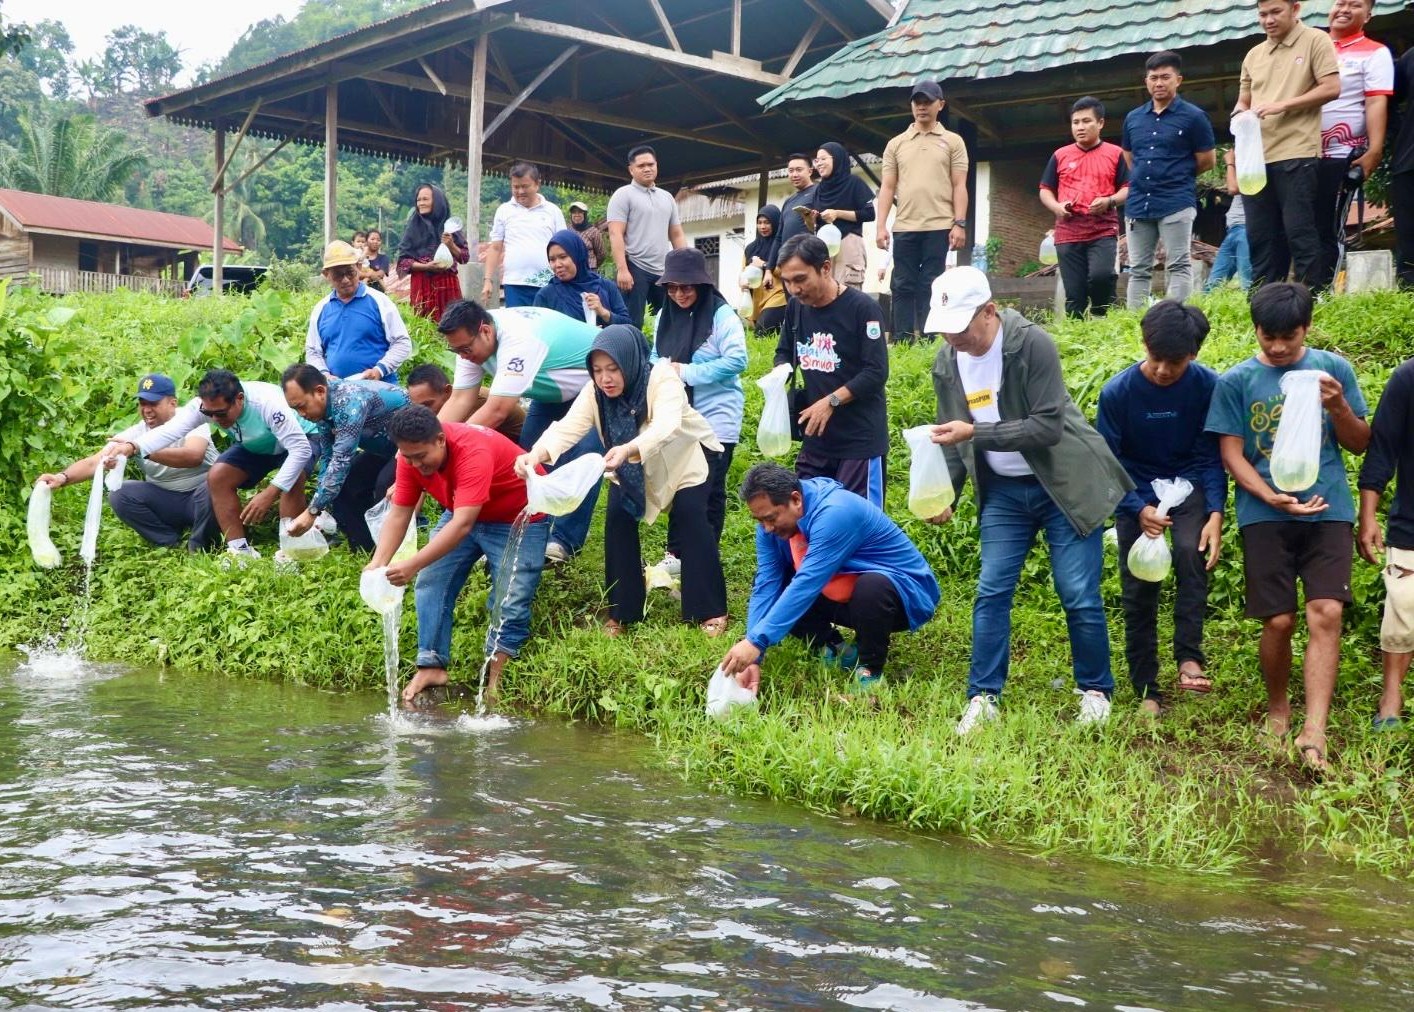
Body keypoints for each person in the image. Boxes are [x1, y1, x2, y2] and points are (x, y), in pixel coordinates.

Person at [924, 267, 1133, 733]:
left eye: (960, 326)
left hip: (1061, 486)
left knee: (1077, 592)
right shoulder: (947, 360)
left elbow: (1046, 427)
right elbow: (951, 437)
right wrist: (949, 494)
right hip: (1002, 493)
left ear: (989, 312)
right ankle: (983, 698)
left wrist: (976, 432)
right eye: (945, 327)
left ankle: (1095, 689)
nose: (952, 337)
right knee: (992, 590)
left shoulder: (1030, 345)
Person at [1204, 282, 1369, 771]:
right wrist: (1265, 493)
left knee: (1326, 612)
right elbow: (1231, 452)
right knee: (1278, 619)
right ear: (1255, 329)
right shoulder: (1236, 381)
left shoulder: (1333, 371)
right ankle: (1279, 706)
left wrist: (1338, 406)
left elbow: (1360, 443)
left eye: (1289, 339)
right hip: (1265, 513)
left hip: (1328, 506)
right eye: (1268, 337)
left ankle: (1314, 727)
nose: (1277, 348)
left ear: (1307, 329)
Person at [517, 325, 728, 637]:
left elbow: (667, 425)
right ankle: (622, 610)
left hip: (682, 458)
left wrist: (629, 448)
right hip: (628, 463)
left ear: (630, 361)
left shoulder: (662, 378)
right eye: (598, 370)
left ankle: (709, 610)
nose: (606, 378)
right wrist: (535, 455)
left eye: (613, 369)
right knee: (617, 520)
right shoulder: (595, 392)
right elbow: (568, 426)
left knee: (691, 519)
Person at [367, 405, 550, 704]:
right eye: (408, 457)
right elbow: (400, 514)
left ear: (440, 440)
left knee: (510, 596)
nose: (415, 465)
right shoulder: (410, 458)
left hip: (520, 515)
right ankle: (432, 666)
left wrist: (411, 564)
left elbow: (463, 525)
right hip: (463, 509)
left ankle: (495, 681)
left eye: (421, 457)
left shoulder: (472, 451)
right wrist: (378, 563)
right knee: (431, 579)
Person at [1097, 303, 1226, 713]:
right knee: (1140, 581)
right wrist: (1137, 509)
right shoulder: (1118, 392)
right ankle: (1146, 685)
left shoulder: (1207, 386)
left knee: (1192, 552)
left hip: (1188, 484)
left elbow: (1211, 455)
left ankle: (1189, 654)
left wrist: (1216, 514)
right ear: (1144, 346)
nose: (1164, 370)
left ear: (1194, 354)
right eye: (1156, 359)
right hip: (1134, 487)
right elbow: (1107, 462)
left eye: (1176, 362)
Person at [717, 462, 940, 692]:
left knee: (871, 587)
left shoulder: (835, 512)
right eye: (760, 520)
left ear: (796, 499)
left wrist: (757, 642)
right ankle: (838, 648)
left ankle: (870, 670)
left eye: (771, 518)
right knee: (781, 583)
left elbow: (807, 583)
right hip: (842, 591)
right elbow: (767, 584)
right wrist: (753, 656)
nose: (767, 528)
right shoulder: (770, 526)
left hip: (905, 596)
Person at [437, 300, 600, 564]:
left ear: (486, 332)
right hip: (551, 392)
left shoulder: (520, 339)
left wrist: (450, 449)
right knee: (526, 458)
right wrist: (430, 439)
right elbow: (460, 400)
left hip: (595, 387)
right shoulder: (468, 341)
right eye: (456, 351)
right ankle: (523, 531)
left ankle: (563, 541)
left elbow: (497, 410)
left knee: (583, 455)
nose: (463, 356)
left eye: (465, 349)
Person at [106, 369, 319, 559]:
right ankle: (240, 551)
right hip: (257, 443)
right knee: (218, 475)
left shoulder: (268, 404)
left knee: (293, 478)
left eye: (221, 413)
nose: (216, 419)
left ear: (239, 399)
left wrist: (270, 492)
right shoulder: (205, 407)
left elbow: (300, 451)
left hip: (301, 439)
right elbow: (171, 430)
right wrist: (133, 446)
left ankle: (291, 551)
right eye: (210, 414)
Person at [37, 373, 218, 552]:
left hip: (203, 499)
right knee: (121, 494)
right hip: (167, 501)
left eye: (154, 403)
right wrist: (62, 478)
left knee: (214, 484)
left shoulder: (193, 419)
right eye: (142, 403)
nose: (147, 410)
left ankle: (200, 546)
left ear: (173, 403)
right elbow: (94, 462)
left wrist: (141, 449)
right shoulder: (136, 433)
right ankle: (169, 542)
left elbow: (193, 456)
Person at [773, 233, 889, 506]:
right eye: (787, 281)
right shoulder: (796, 308)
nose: (794, 289)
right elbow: (784, 353)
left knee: (859, 526)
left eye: (800, 279)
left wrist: (832, 401)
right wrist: (779, 374)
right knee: (805, 518)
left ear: (825, 268)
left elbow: (876, 371)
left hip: (859, 442)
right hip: (816, 440)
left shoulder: (863, 309)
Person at [1234, 0, 1340, 290]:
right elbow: (1244, 99)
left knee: (1299, 232)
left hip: (1297, 151)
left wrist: (1283, 105)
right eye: (1263, 14)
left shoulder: (1316, 39)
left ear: (1295, 9)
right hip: (1255, 158)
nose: (1268, 20)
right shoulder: (1254, 54)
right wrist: (1240, 113)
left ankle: (1311, 300)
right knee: (1261, 235)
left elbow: (1331, 88)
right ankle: (1264, 304)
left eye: (1275, 12)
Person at [651, 246, 748, 552]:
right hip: (679, 414)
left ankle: (702, 555)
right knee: (680, 485)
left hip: (717, 415)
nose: (680, 294)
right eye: (673, 288)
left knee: (708, 489)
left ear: (702, 285)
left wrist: (687, 372)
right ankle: (677, 554)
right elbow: (656, 357)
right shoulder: (665, 316)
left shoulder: (721, 315)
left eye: (687, 287)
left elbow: (737, 361)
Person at [876, 79, 970, 341]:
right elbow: (886, 187)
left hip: (940, 224)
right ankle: (904, 340)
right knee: (902, 284)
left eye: (927, 101)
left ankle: (930, 339)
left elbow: (959, 184)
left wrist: (959, 223)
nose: (922, 106)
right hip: (905, 226)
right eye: (917, 101)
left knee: (932, 283)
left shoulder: (953, 141)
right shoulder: (896, 144)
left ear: (941, 104)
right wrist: (881, 226)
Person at [1121, 51, 1216, 308]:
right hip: (1139, 202)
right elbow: (1130, 158)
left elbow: (1208, 160)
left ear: (1178, 80)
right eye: (1153, 78)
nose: (1159, 83)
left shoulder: (1194, 116)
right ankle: (1135, 322)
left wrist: (1177, 173)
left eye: (1165, 77)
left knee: (1178, 263)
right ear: (1146, 81)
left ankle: (1176, 319)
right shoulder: (1133, 118)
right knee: (1138, 267)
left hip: (1176, 199)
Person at [280, 364, 409, 552]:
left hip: (410, 448)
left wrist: (312, 511)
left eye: (302, 406)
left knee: (384, 486)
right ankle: (365, 550)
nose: (302, 415)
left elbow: (341, 460)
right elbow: (328, 457)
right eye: (296, 409)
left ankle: (393, 554)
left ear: (320, 391)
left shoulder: (349, 401)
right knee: (343, 487)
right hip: (382, 448)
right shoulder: (324, 410)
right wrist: (319, 501)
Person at [1317, 0, 1392, 288]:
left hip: (1341, 154)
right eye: (1340, 2)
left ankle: (1322, 292)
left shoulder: (1375, 53)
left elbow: (1375, 101)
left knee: (1328, 226)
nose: (1345, 9)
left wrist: (1374, 151)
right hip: (1299, 152)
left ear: (1368, 15)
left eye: (1355, 4)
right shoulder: (1312, 45)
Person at [1357, 355, 1414, 730]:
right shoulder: (1408, 377)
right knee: (1403, 607)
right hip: (1411, 521)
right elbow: (1381, 450)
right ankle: (1391, 696)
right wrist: (1368, 515)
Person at [1039, 96, 1130, 318]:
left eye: (1086, 121)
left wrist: (1109, 201)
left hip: (1103, 230)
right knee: (1074, 292)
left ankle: (1102, 319)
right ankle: (1076, 334)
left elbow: (1129, 188)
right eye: (1075, 122)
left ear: (1100, 123)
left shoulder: (1115, 153)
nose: (1080, 127)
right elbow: (1045, 190)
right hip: (1068, 232)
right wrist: (1057, 207)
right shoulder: (1060, 155)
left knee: (1100, 277)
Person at [305, 240, 412, 382]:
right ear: (326, 275)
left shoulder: (380, 302)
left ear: (358, 267)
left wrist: (379, 370)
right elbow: (313, 350)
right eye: (338, 275)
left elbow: (402, 342)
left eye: (350, 273)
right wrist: (324, 374)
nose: (345, 280)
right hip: (339, 391)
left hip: (379, 389)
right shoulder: (321, 309)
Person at [606, 145, 686, 327]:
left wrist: (686, 266)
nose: (647, 168)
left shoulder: (667, 197)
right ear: (631, 170)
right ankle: (630, 355)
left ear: (657, 165)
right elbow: (615, 233)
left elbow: (676, 234)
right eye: (641, 166)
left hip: (664, 270)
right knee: (632, 322)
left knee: (669, 322)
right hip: (635, 267)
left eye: (651, 164)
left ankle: (666, 356)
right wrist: (622, 269)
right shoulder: (623, 195)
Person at [482, 162, 565, 308]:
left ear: (537, 184)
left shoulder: (553, 211)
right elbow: (495, 248)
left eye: (525, 186)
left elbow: (564, 246)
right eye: (515, 187)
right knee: (518, 327)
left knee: (545, 326)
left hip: (548, 282)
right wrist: (488, 280)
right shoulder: (504, 210)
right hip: (515, 283)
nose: (520, 191)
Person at [805, 142, 876, 290]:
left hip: (848, 242)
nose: (819, 164)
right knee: (824, 293)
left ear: (837, 158)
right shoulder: (819, 189)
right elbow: (816, 225)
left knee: (847, 293)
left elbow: (869, 214)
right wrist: (810, 220)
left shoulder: (854, 183)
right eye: (817, 160)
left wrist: (837, 213)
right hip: (824, 248)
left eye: (823, 159)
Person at [397, 182, 469, 321]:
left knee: (451, 324)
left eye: (425, 199)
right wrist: (426, 267)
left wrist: (451, 245)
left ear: (437, 202)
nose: (421, 203)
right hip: (422, 285)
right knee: (425, 327)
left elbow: (464, 257)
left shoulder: (450, 227)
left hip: (447, 285)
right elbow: (403, 262)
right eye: (418, 200)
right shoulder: (413, 227)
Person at [407, 362, 524, 445]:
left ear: (448, 391)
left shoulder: (473, 403)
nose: (423, 412)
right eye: (417, 407)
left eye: (428, 404)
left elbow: (461, 441)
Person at [534, 228, 631, 327]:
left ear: (578, 255)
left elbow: (628, 325)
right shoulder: (546, 295)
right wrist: (583, 334)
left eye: (563, 257)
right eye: (552, 259)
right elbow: (538, 333)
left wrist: (603, 312)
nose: (557, 264)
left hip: (607, 342)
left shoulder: (606, 287)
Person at [1204, 148, 1253, 291]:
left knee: (1247, 282)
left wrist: (1230, 163)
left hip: (1245, 230)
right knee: (1213, 284)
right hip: (1234, 230)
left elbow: (1233, 188)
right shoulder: (1244, 169)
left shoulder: (1256, 168)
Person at [769, 153, 818, 275]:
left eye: (799, 170)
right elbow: (779, 237)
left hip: (809, 259)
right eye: (791, 171)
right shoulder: (788, 201)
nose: (794, 174)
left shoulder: (819, 192)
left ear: (810, 171)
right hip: (787, 263)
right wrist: (769, 270)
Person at [743, 205, 787, 335]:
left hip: (778, 296)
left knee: (762, 333)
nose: (763, 227)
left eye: (767, 222)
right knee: (758, 331)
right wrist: (742, 283)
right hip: (757, 300)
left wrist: (763, 265)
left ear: (776, 223)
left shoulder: (784, 246)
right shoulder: (750, 249)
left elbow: (785, 272)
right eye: (760, 223)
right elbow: (742, 273)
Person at [1391, 46, 1414, 287]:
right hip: (1409, 161)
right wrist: (1399, 135)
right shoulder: (1410, 58)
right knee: (1409, 240)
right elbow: (1388, 100)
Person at [567, 200, 605, 271]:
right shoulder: (568, 230)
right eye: (574, 212)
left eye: (580, 212)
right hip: (571, 269)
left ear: (584, 214)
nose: (576, 215)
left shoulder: (593, 231)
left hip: (589, 269)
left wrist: (593, 264)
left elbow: (601, 254)